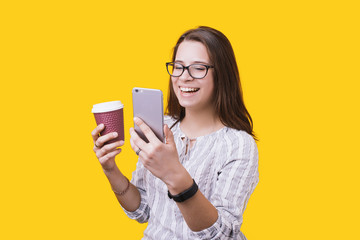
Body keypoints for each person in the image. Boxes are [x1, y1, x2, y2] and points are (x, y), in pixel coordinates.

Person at [91, 26, 259, 240]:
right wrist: (110, 169)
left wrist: (174, 174)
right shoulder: (163, 127)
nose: (184, 77)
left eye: (198, 68)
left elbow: (221, 234)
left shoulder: (238, 145)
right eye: (178, 67)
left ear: (222, 75)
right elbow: (142, 209)